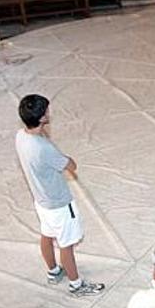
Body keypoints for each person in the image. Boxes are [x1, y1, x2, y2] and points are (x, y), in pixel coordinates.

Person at [15, 94, 105, 296]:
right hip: (59, 204)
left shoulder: (21, 136)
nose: (49, 113)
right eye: (46, 111)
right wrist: (67, 158)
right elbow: (71, 165)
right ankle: (76, 284)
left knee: (47, 235)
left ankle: (53, 271)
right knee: (66, 245)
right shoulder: (44, 148)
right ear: (42, 118)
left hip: (42, 201)